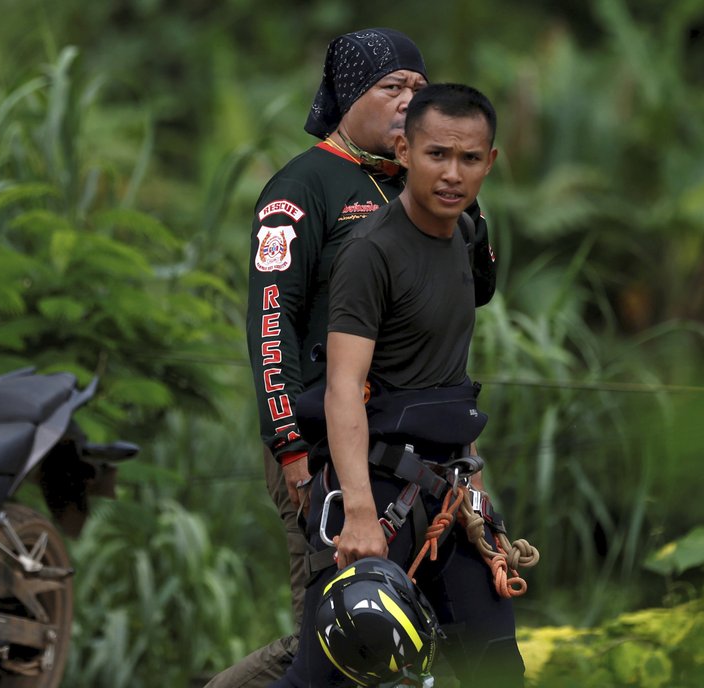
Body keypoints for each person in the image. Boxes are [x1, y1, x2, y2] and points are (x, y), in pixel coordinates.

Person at [208, 29, 497, 687]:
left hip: (421, 448)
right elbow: (271, 326)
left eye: (417, 88)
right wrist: (292, 453)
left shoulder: (420, 188)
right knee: (347, 628)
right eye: (389, 87)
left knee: (417, 625)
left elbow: (476, 288)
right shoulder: (302, 188)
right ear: (346, 96)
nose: (407, 101)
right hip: (326, 442)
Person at [270, 83, 524, 687]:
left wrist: (477, 495)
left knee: (495, 665)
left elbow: (450, 378)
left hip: (451, 493)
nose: (452, 174)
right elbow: (342, 388)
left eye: (468, 159)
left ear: (490, 162)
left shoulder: (464, 237)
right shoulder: (370, 252)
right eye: (437, 154)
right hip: (379, 491)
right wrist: (357, 512)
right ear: (404, 152)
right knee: (330, 673)